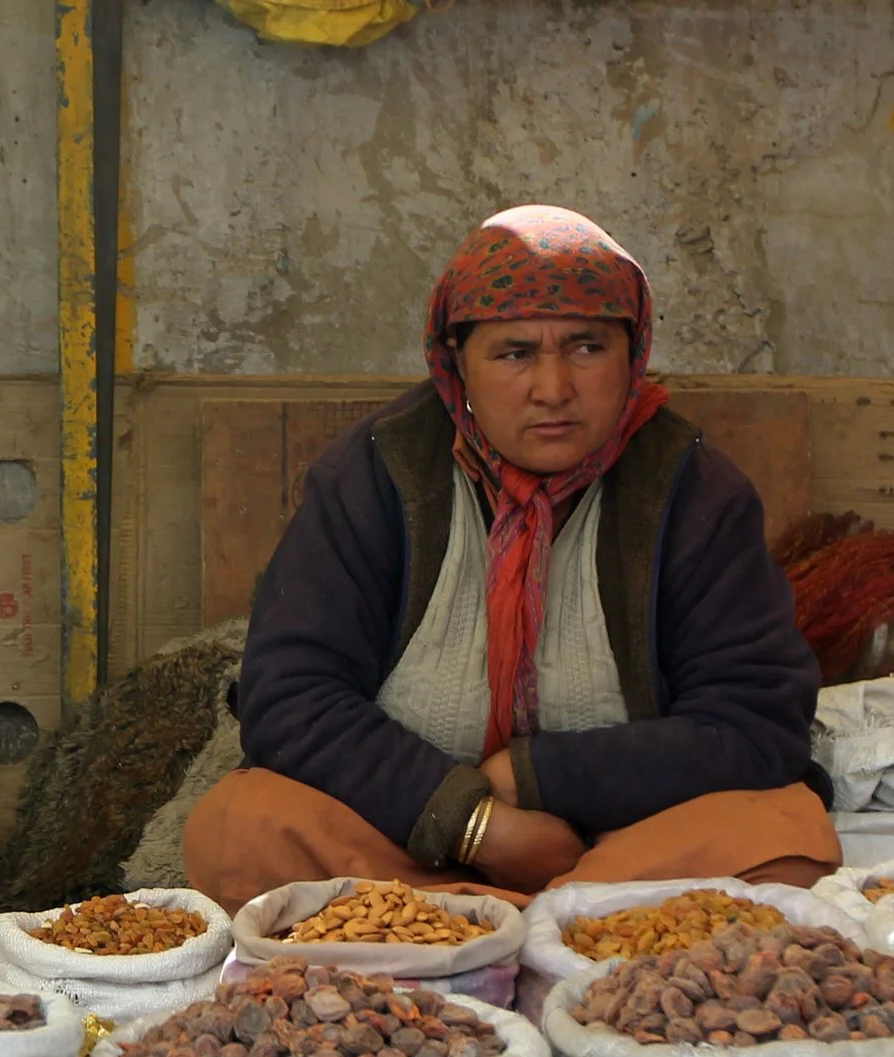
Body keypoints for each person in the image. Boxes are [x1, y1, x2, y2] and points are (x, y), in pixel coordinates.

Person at [183, 205, 839, 909]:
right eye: (514, 352)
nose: (553, 388)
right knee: (237, 829)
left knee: (786, 834)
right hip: (402, 844)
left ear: (633, 353)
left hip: (614, 849)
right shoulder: (377, 475)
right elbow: (289, 697)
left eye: (587, 347)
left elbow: (755, 722)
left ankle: (528, 929)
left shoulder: (691, 492)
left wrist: (534, 777)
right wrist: (472, 821)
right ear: (457, 364)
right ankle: (545, 934)